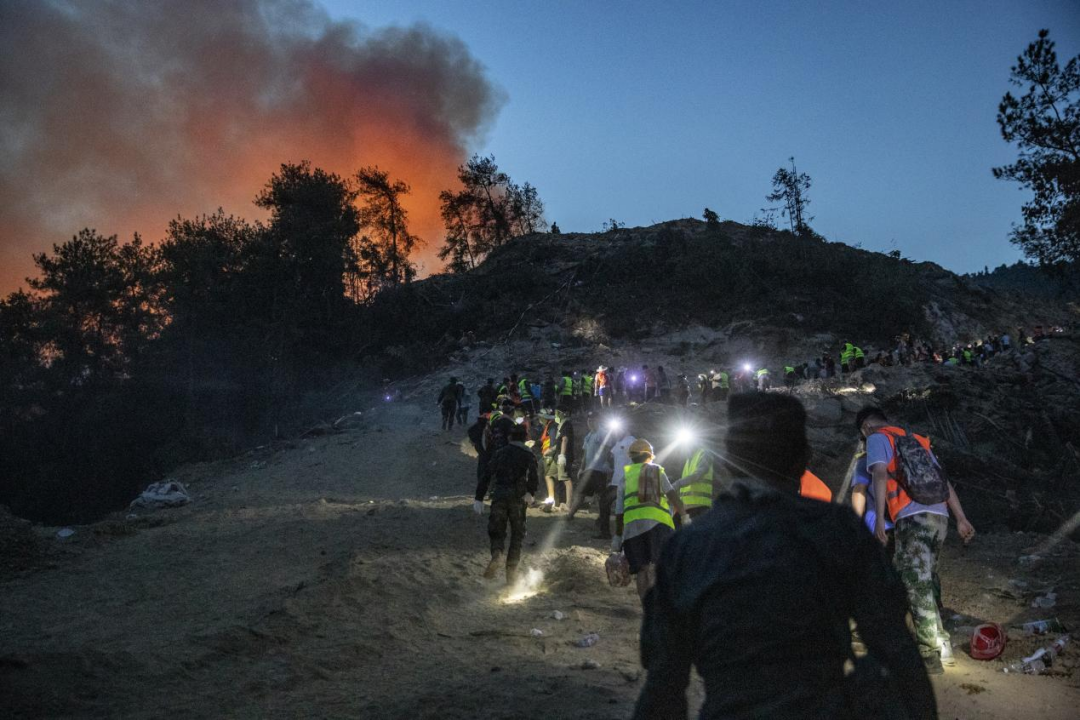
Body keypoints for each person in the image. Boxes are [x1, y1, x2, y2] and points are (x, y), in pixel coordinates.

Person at [633, 394, 936, 720]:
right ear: (804, 458)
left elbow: (663, 686)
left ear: (725, 458)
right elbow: (899, 654)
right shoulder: (839, 532)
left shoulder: (687, 547)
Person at [856, 406, 976, 674]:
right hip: (939, 517)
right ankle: (942, 644)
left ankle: (928, 654)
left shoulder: (877, 438)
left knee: (915, 584)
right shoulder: (918, 439)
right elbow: (944, 482)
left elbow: (878, 473)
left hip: (912, 517)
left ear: (865, 428)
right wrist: (961, 518)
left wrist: (880, 519)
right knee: (927, 580)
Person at [612, 439, 688, 602]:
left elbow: (619, 513)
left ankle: (646, 606)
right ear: (649, 456)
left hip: (632, 529)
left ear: (631, 457)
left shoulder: (625, 478)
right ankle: (657, 605)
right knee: (656, 566)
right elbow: (673, 496)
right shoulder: (656, 471)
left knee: (641, 569)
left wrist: (617, 538)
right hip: (657, 526)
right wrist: (684, 517)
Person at [473, 424, 539, 585]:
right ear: (525, 438)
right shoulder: (528, 454)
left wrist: (479, 497)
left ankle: (497, 554)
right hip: (518, 498)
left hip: (500, 495)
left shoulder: (500, 453)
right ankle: (511, 572)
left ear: (509, 437)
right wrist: (530, 492)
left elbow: (487, 474)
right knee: (517, 534)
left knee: (496, 531)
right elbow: (534, 475)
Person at [568, 413, 612, 524]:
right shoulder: (589, 436)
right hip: (588, 470)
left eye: (593, 420)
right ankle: (570, 514)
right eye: (589, 421)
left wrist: (605, 463)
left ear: (598, 421)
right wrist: (581, 468)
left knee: (600, 495)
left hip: (599, 470)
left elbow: (607, 450)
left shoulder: (603, 434)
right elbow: (585, 454)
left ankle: (601, 517)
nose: (590, 423)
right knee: (580, 493)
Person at [673, 443, 716, 519]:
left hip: (700, 506)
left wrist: (677, 484)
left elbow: (698, 474)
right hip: (686, 509)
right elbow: (685, 489)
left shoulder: (705, 453)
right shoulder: (688, 461)